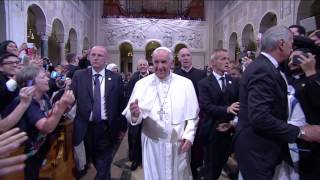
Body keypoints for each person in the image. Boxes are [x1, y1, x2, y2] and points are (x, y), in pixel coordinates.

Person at [234, 25, 320, 180]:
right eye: (291, 42)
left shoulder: (266, 67)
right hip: (258, 149)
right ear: (281, 44)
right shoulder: (263, 69)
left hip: (261, 147)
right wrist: (302, 132)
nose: (293, 47)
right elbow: (259, 116)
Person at [122, 47, 199, 180]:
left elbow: (193, 115)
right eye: (156, 62)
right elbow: (132, 116)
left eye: (163, 62)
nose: (159, 66)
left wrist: (189, 135)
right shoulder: (141, 84)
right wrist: (135, 114)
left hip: (178, 143)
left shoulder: (186, 84)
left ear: (172, 63)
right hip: (152, 144)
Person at [1, 65, 75, 179]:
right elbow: (46, 127)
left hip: (35, 151)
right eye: (43, 77)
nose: (47, 79)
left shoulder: (43, 96)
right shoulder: (27, 102)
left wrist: (60, 107)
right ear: (30, 83)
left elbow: (46, 115)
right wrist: (60, 108)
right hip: (20, 156)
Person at [71, 45, 124, 180]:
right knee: (92, 161)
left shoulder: (115, 78)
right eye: (93, 55)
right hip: (85, 128)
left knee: (103, 164)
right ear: (89, 57)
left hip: (106, 127)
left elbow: (120, 104)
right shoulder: (79, 76)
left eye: (99, 55)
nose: (95, 58)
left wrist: (122, 127)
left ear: (106, 59)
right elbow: (71, 98)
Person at [198, 49, 239, 180]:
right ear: (213, 63)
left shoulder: (234, 82)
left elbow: (239, 104)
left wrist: (232, 123)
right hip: (212, 132)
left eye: (227, 58)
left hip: (230, 130)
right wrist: (226, 109)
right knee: (211, 170)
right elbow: (206, 106)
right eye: (222, 59)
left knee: (225, 163)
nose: (227, 61)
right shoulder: (204, 83)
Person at [174, 47, 206, 178]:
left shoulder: (201, 74)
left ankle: (195, 170)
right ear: (179, 58)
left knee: (196, 145)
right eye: (183, 56)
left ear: (191, 57)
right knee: (180, 145)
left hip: (197, 116)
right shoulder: (174, 75)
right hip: (179, 117)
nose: (185, 58)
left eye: (187, 55)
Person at [125, 59, 151, 171]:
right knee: (135, 137)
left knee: (149, 137)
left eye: (144, 64)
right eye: (140, 65)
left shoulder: (154, 77)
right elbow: (129, 95)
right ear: (138, 67)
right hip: (136, 112)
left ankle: (148, 159)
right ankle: (136, 159)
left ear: (148, 66)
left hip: (150, 113)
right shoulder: (134, 78)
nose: (142, 66)